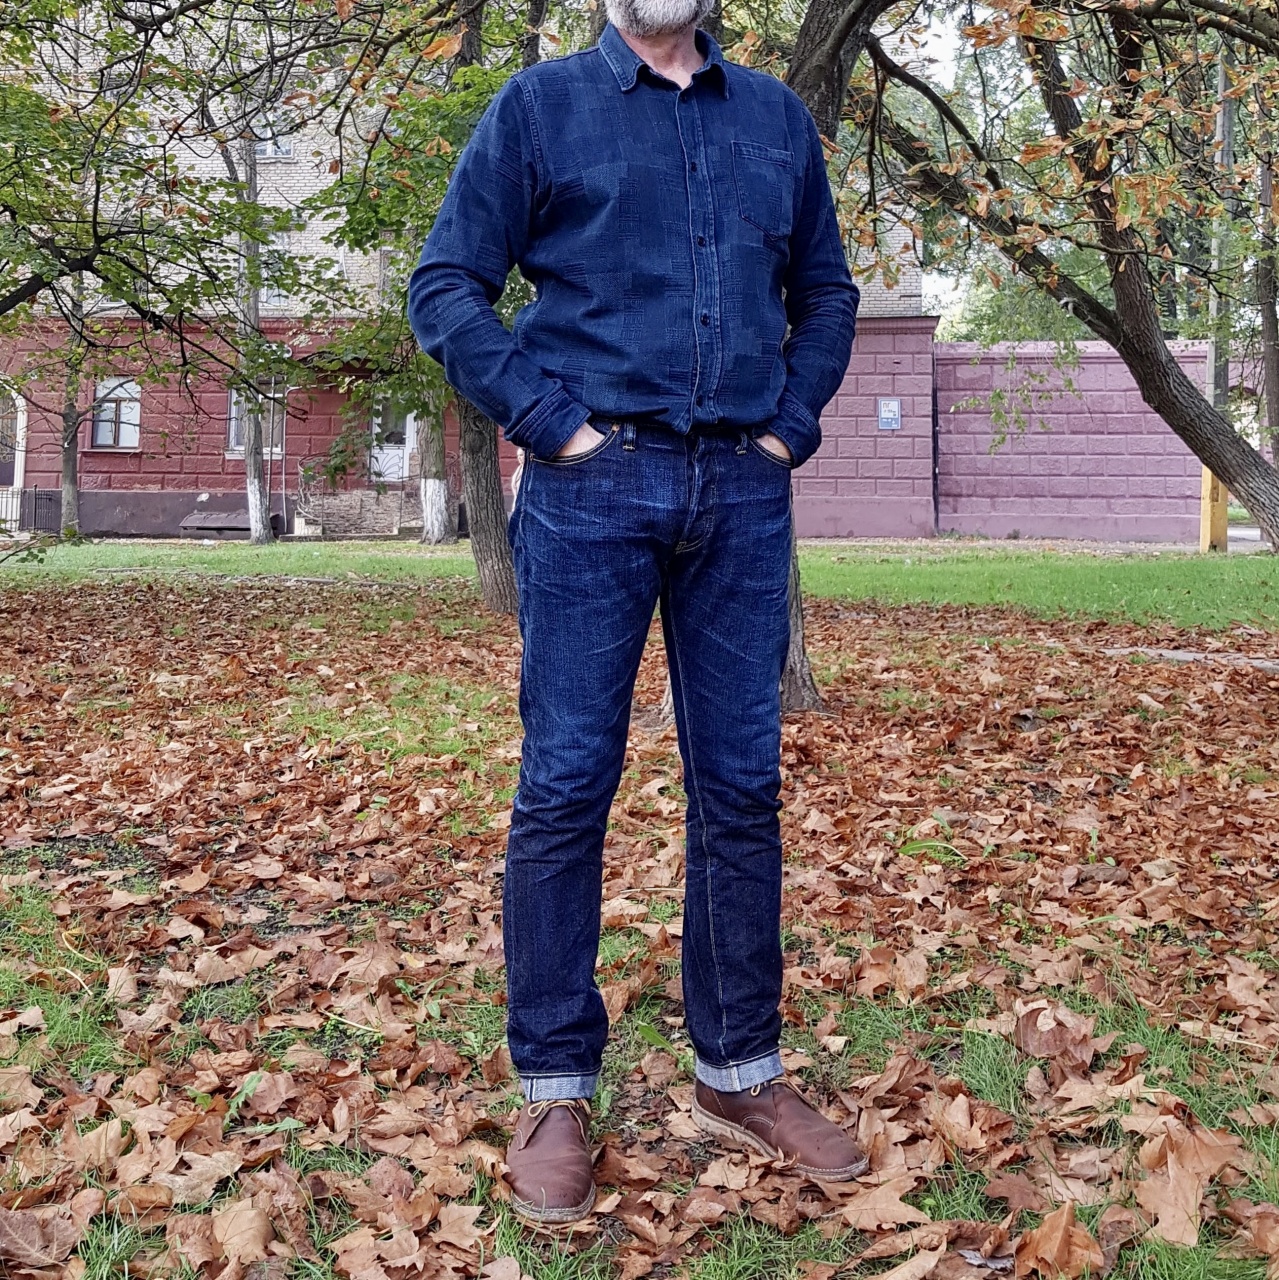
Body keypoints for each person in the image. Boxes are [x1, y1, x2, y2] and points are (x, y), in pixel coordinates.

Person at [408, 0, 864, 1226]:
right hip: (589, 488)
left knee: (741, 784)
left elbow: (826, 292)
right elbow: (445, 285)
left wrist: (790, 429)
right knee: (566, 781)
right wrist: (552, 426)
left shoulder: (774, 119)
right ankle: (555, 1086)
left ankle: (739, 1069)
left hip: (742, 489)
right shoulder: (538, 108)